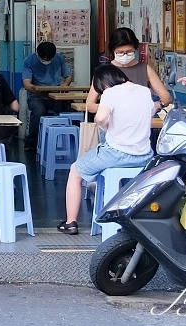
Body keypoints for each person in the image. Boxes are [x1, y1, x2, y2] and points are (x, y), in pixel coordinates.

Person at [58, 65, 157, 234]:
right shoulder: (144, 91)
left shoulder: (110, 93)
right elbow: (152, 110)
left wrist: (105, 125)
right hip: (144, 155)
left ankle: (71, 222)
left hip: (116, 153)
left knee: (75, 171)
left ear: (102, 84)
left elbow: (101, 117)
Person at [86, 27, 173, 110]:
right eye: (120, 52)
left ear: (135, 49)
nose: (125, 55)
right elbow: (90, 104)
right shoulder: (104, 72)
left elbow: (166, 97)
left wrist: (156, 105)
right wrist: (109, 108)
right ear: (113, 50)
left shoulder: (145, 69)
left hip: (140, 120)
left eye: (129, 52)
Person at [22, 42, 72, 153]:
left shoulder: (59, 58)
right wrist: (39, 91)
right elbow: (27, 84)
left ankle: (71, 141)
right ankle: (31, 143)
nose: (46, 60)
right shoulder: (28, 61)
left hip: (56, 95)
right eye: (44, 58)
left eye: (49, 58)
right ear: (38, 54)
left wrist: (64, 86)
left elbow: (68, 76)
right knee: (39, 111)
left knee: (69, 108)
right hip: (36, 95)